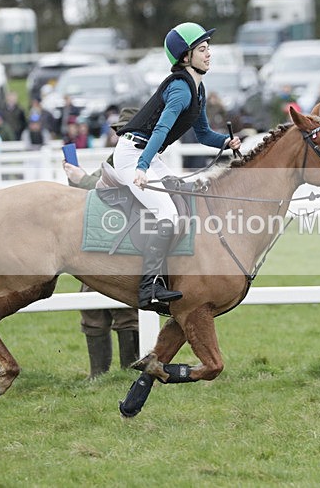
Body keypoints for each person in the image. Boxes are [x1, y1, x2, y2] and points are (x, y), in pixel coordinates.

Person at [113, 21, 241, 311]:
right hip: (133, 155)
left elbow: (204, 134)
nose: (209, 54)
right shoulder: (181, 90)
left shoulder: (198, 89)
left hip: (148, 154)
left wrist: (225, 142)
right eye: (202, 49)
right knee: (167, 214)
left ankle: (175, 273)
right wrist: (142, 167)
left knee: (181, 196)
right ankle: (148, 287)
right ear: (186, 57)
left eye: (208, 48)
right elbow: (160, 130)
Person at [62, 109, 141, 377]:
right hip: (100, 244)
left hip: (126, 247)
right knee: (92, 310)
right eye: (120, 132)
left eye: (126, 132)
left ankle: (128, 372)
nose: (121, 137)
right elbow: (89, 190)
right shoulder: (116, 158)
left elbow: (115, 191)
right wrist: (76, 177)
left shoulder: (142, 158)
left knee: (125, 312)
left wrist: (82, 179)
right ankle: (100, 375)